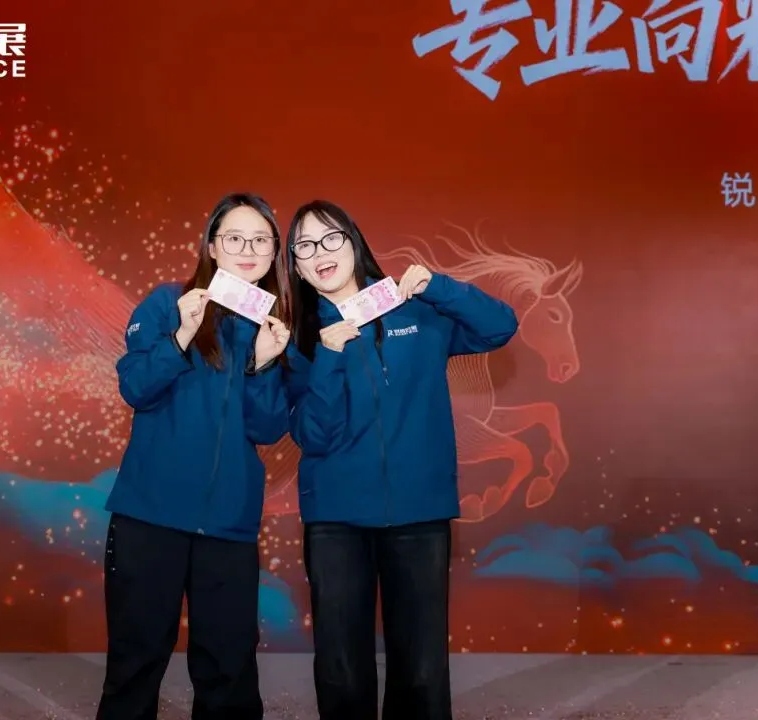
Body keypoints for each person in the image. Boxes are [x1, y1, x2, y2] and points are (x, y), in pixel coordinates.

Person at [284, 200, 519, 720]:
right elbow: (312, 435)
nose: (320, 252)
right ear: (296, 266)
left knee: (421, 667)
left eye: (331, 238)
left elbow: (500, 327)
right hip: (336, 518)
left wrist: (440, 287)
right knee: (341, 666)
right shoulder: (298, 339)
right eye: (304, 246)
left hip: (419, 511)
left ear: (354, 243)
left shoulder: (414, 309)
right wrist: (328, 357)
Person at [98, 192, 292, 720]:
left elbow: (269, 427)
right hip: (149, 517)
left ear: (274, 251)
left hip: (228, 524)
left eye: (261, 240)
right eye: (235, 238)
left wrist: (263, 364)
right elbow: (136, 387)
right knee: (135, 663)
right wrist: (182, 335)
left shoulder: (273, 326)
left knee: (229, 670)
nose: (248, 250)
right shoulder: (168, 302)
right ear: (211, 246)